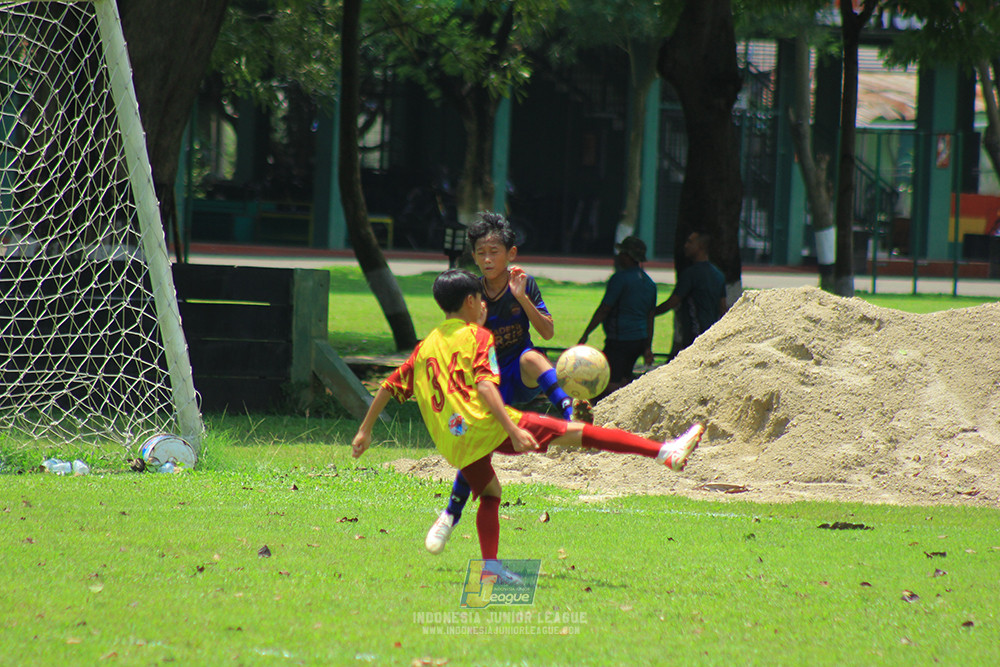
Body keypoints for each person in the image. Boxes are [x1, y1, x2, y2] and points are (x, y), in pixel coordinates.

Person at [350, 269, 704, 577]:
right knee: (582, 434)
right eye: (480, 300)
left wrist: (365, 430)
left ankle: (488, 569)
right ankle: (664, 453)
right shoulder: (478, 336)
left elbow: (387, 386)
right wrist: (512, 428)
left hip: (453, 438)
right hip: (486, 423)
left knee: (490, 493)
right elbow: (487, 386)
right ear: (473, 301)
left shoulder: (424, 346)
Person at [425, 212, 574, 555]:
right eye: (480, 252)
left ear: (512, 253)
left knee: (533, 357)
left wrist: (521, 297)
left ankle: (568, 409)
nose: (488, 259)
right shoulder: (470, 293)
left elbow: (548, 332)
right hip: (486, 380)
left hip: (518, 373)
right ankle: (450, 513)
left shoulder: (525, 283)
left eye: (494, 251)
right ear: (474, 256)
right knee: (478, 450)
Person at [578, 236, 657, 396]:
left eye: (622, 253)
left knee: (608, 383)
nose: (618, 256)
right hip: (639, 340)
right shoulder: (649, 283)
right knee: (625, 377)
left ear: (628, 256)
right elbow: (650, 317)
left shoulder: (620, 279)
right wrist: (648, 346)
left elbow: (604, 309)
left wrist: (586, 333)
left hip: (620, 340)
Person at [654, 231, 728, 356]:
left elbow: (673, 302)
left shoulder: (690, 274)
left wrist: (650, 313)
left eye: (690, 242)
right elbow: (723, 308)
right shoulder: (718, 275)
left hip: (694, 336)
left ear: (701, 247)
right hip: (711, 336)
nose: (685, 245)